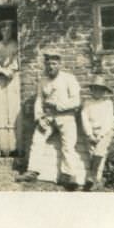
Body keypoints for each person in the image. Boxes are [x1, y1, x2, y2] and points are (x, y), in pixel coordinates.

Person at [16, 53, 82, 186]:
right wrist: (39, 117)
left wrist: (58, 106)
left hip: (66, 116)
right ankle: (33, 171)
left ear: (60, 65)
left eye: (54, 64)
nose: (51, 67)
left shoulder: (69, 79)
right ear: (45, 65)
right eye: (48, 64)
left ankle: (69, 175)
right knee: (37, 139)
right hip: (49, 117)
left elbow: (76, 101)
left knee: (68, 145)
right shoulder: (43, 81)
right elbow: (39, 100)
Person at [81, 75, 114, 191]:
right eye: (95, 89)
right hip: (91, 132)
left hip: (104, 132)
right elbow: (84, 119)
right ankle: (96, 181)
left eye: (100, 90)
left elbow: (108, 121)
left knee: (99, 151)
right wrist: (90, 134)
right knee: (93, 155)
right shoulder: (87, 103)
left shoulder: (107, 103)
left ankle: (92, 176)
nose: (97, 92)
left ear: (104, 91)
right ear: (91, 90)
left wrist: (100, 135)